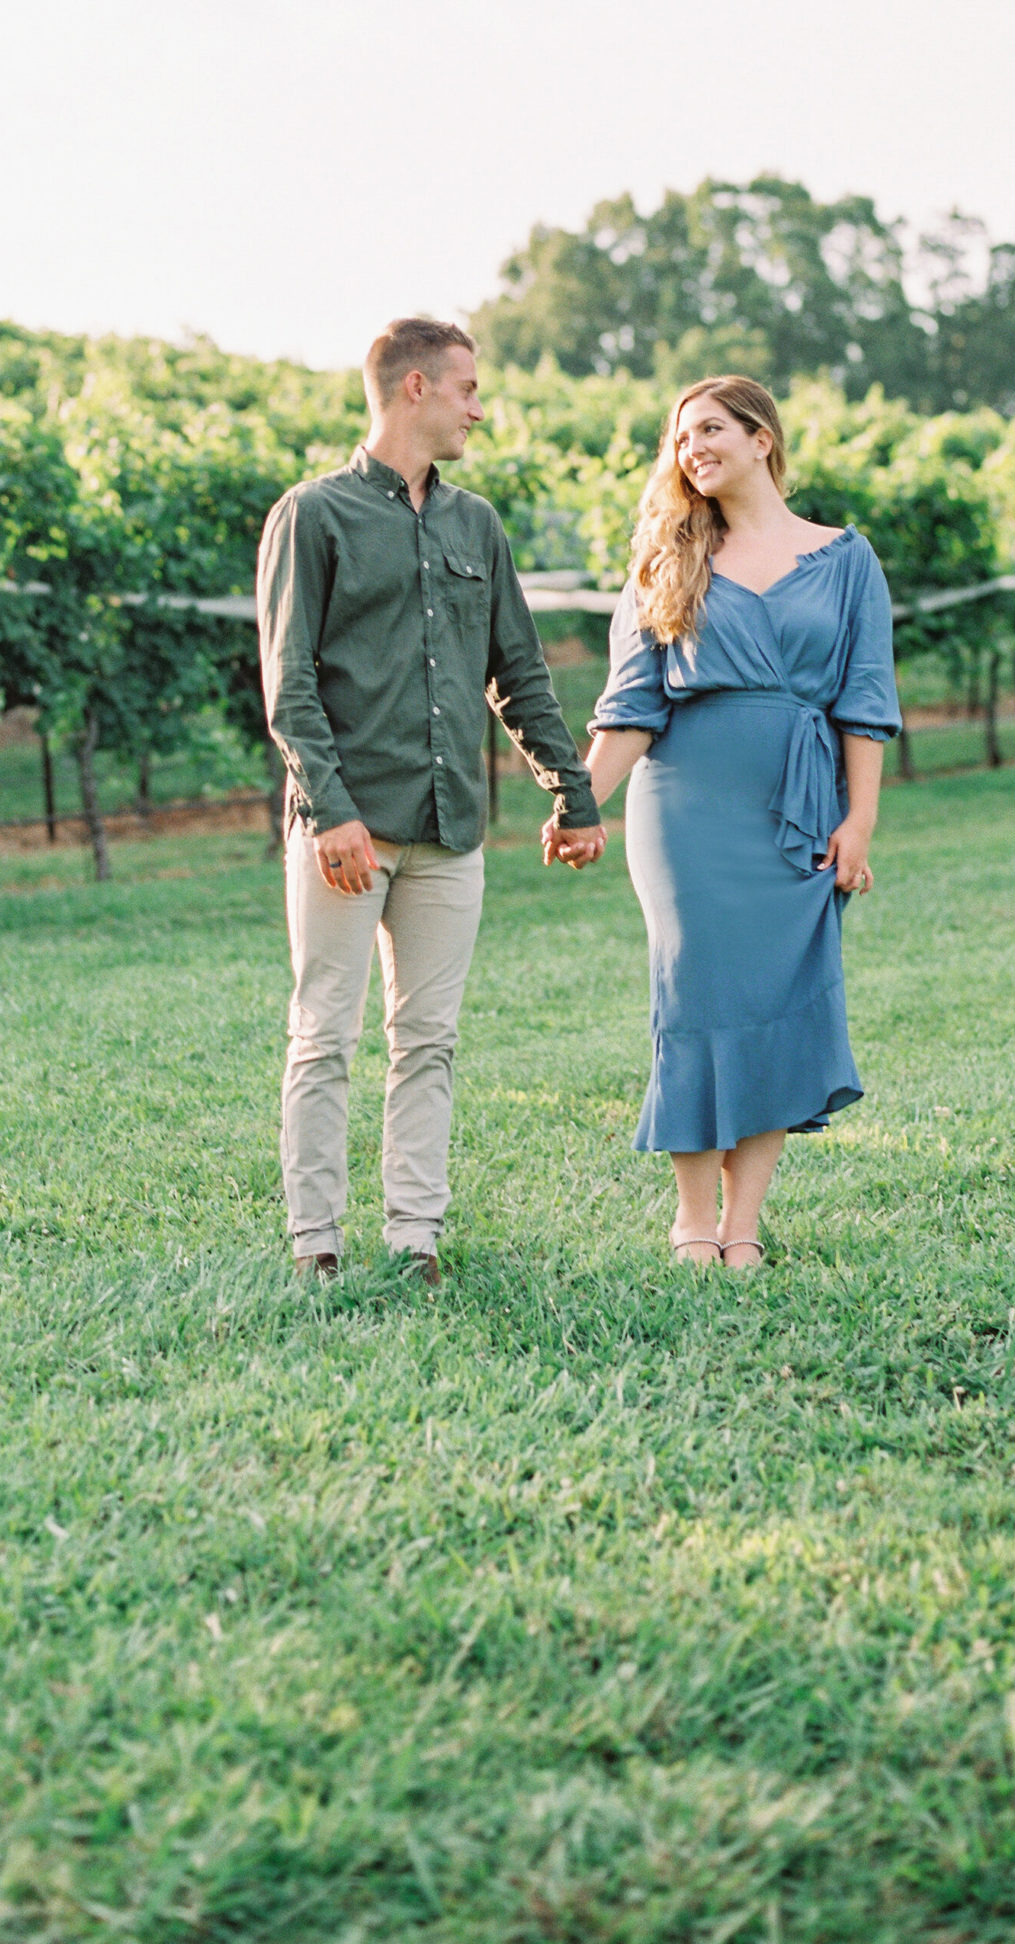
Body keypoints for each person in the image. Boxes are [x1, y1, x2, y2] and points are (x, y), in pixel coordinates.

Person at [257, 316, 606, 1283]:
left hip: (451, 832)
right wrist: (329, 812)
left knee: (430, 1042)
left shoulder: (475, 525)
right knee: (324, 1035)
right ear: (415, 388)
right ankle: (315, 1244)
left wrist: (571, 794)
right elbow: (288, 686)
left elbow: (518, 674)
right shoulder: (313, 516)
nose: (478, 410)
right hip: (346, 828)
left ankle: (416, 1239)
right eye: (467, 391)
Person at [582, 375, 900, 1270]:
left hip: (798, 811)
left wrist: (859, 822)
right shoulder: (667, 558)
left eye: (711, 429)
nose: (693, 450)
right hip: (685, 809)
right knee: (695, 995)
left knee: (774, 1004)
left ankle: (745, 1221)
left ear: (764, 438)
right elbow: (631, 708)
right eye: (682, 439)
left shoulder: (847, 559)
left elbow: (865, 701)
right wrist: (578, 801)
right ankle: (692, 1217)